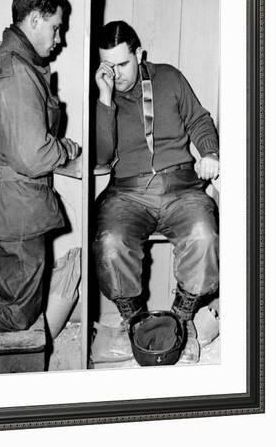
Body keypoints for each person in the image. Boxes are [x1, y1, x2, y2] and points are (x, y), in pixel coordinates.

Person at [0, 0, 79, 337]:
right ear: (35, 20)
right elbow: (33, 156)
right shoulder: (16, 71)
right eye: (56, 27)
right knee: (17, 315)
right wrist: (66, 149)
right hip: (18, 208)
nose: (60, 39)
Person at [92, 21, 219, 363]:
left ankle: (182, 318)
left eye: (123, 64)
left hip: (180, 187)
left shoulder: (169, 78)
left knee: (204, 235)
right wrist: (105, 101)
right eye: (108, 66)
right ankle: (134, 322)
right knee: (110, 242)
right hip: (128, 193)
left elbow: (199, 120)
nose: (116, 74)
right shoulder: (104, 93)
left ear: (139, 54)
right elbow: (102, 157)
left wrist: (209, 153)